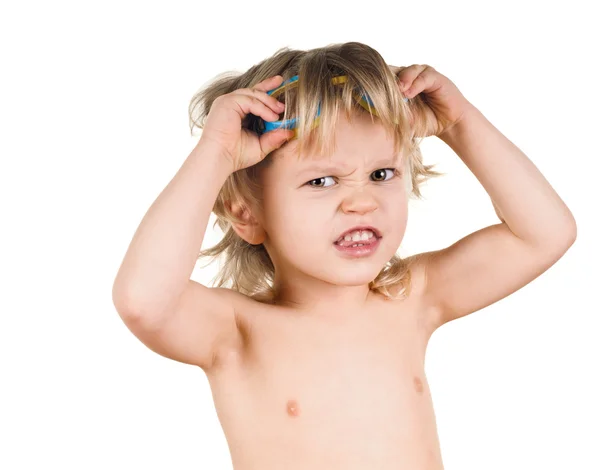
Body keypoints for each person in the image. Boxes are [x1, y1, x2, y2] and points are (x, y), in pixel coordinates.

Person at [112, 41, 577, 469]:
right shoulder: (236, 333)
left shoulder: (412, 301)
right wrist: (215, 153)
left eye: (380, 173)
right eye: (322, 181)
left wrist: (460, 123)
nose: (361, 201)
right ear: (247, 215)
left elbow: (545, 233)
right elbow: (143, 300)